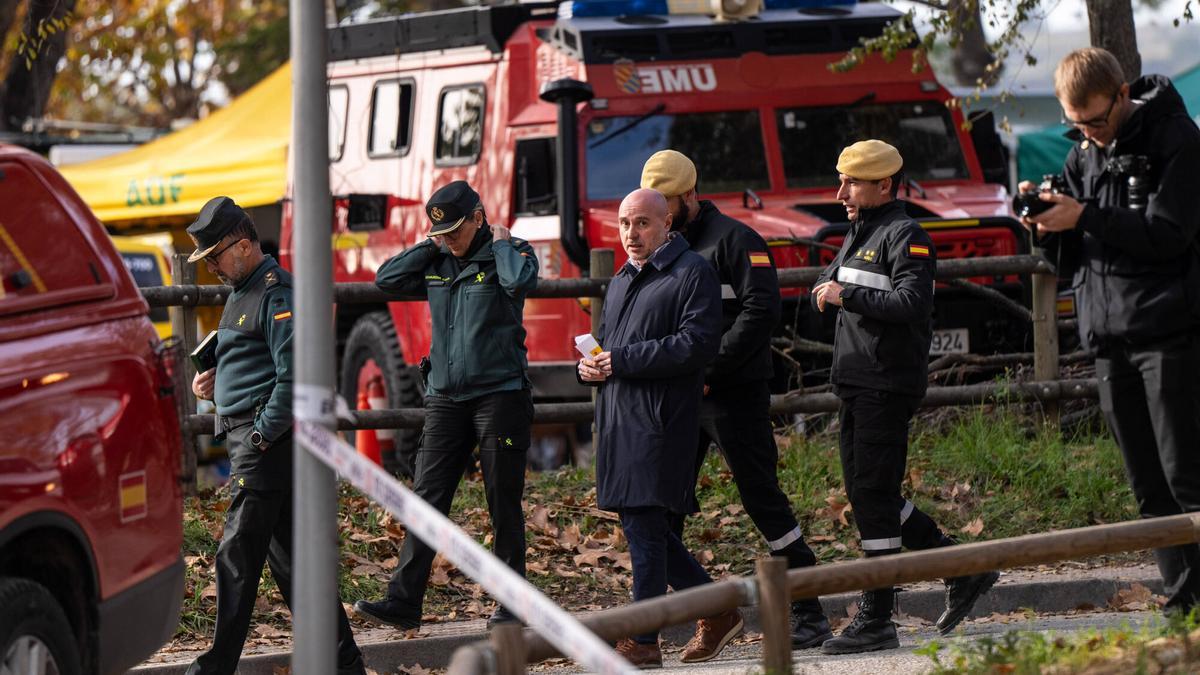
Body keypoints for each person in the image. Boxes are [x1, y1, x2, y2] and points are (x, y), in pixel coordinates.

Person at [1020, 47, 1200, 613]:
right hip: (1107, 336)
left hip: (1168, 330)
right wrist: (1046, 226)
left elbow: (1169, 236)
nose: (1090, 134)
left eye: (1097, 120)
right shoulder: (1083, 155)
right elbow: (1068, 256)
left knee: (1186, 476)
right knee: (1147, 485)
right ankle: (1183, 599)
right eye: (1076, 125)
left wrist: (1087, 216)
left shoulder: (1178, 142)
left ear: (1123, 94)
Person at [639, 149, 833, 648]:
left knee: (763, 502)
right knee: (663, 508)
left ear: (689, 194)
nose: (660, 215)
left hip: (733, 395)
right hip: (680, 397)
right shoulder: (662, 247)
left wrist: (710, 369)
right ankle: (687, 620)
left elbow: (761, 311)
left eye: (666, 204)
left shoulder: (736, 240)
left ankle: (808, 612)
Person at [812, 141, 998, 654]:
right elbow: (839, 284)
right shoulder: (860, 231)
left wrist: (844, 294)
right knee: (868, 495)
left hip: (885, 383)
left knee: (873, 495)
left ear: (884, 185)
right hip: (856, 382)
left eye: (851, 183)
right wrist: (829, 286)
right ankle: (962, 568)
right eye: (841, 180)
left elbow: (911, 303)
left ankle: (877, 618)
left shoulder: (905, 234)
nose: (840, 192)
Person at [185, 196, 366, 675]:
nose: (213, 269)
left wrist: (263, 436)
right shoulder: (244, 289)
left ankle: (213, 668)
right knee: (296, 571)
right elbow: (256, 361)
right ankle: (346, 666)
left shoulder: (274, 292)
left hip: (264, 445)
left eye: (215, 258)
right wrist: (213, 381)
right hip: (259, 441)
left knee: (236, 557)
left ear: (243, 246)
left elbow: (294, 374)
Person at [354, 180, 538, 629]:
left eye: (457, 230)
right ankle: (403, 602)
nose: (450, 241)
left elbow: (521, 282)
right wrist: (431, 242)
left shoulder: (509, 253)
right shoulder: (437, 257)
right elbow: (386, 279)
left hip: (500, 395)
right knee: (425, 499)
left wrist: (501, 244)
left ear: (480, 218)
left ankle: (512, 605)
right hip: (445, 397)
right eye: (443, 233)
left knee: (503, 501)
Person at [579, 188, 738, 668]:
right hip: (618, 418)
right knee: (643, 528)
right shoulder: (625, 278)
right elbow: (612, 347)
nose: (632, 234)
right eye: (625, 224)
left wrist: (620, 360)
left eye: (643, 223)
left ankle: (643, 638)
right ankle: (718, 610)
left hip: (661, 420)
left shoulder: (693, 273)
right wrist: (591, 367)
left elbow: (696, 345)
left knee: (647, 527)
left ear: (667, 223)